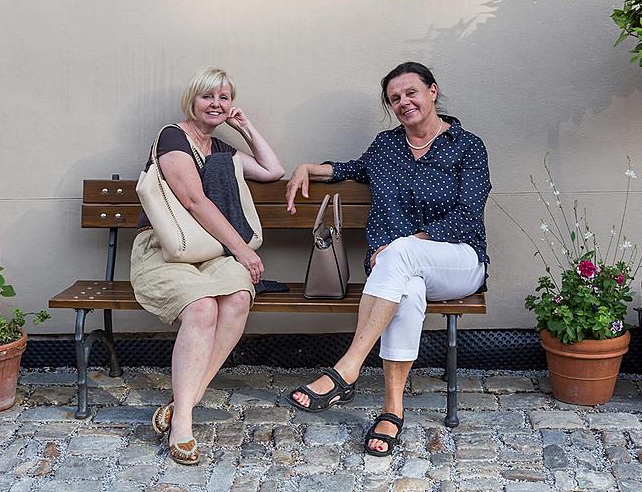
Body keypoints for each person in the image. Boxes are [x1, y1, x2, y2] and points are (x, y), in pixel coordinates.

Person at [284, 62, 490, 456]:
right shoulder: (386, 146)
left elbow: (468, 215)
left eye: (411, 92)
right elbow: (352, 169)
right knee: (408, 291)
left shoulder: (467, 146)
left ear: (432, 91)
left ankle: (347, 368)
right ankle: (392, 409)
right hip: (397, 272)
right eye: (395, 98)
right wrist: (308, 167)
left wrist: (407, 243)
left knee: (400, 252)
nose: (403, 102)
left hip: (459, 263)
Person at [132, 67, 284, 465]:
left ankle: (184, 401)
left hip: (213, 253)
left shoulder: (222, 150)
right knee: (201, 309)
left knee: (236, 298)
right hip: (165, 250)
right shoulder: (172, 137)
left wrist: (246, 128)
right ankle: (183, 421)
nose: (216, 105)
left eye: (224, 98)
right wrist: (244, 250)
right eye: (207, 97)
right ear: (192, 101)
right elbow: (194, 200)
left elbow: (273, 171)